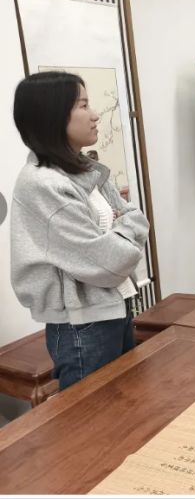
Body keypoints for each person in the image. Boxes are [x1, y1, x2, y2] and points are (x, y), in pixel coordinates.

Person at [10, 71, 149, 391]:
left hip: (115, 307)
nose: (95, 114)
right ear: (53, 115)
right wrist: (124, 231)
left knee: (127, 404)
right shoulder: (43, 183)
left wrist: (121, 230)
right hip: (83, 325)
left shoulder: (83, 168)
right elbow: (109, 263)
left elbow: (136, 217)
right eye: (83, 105)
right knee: (95, 415)